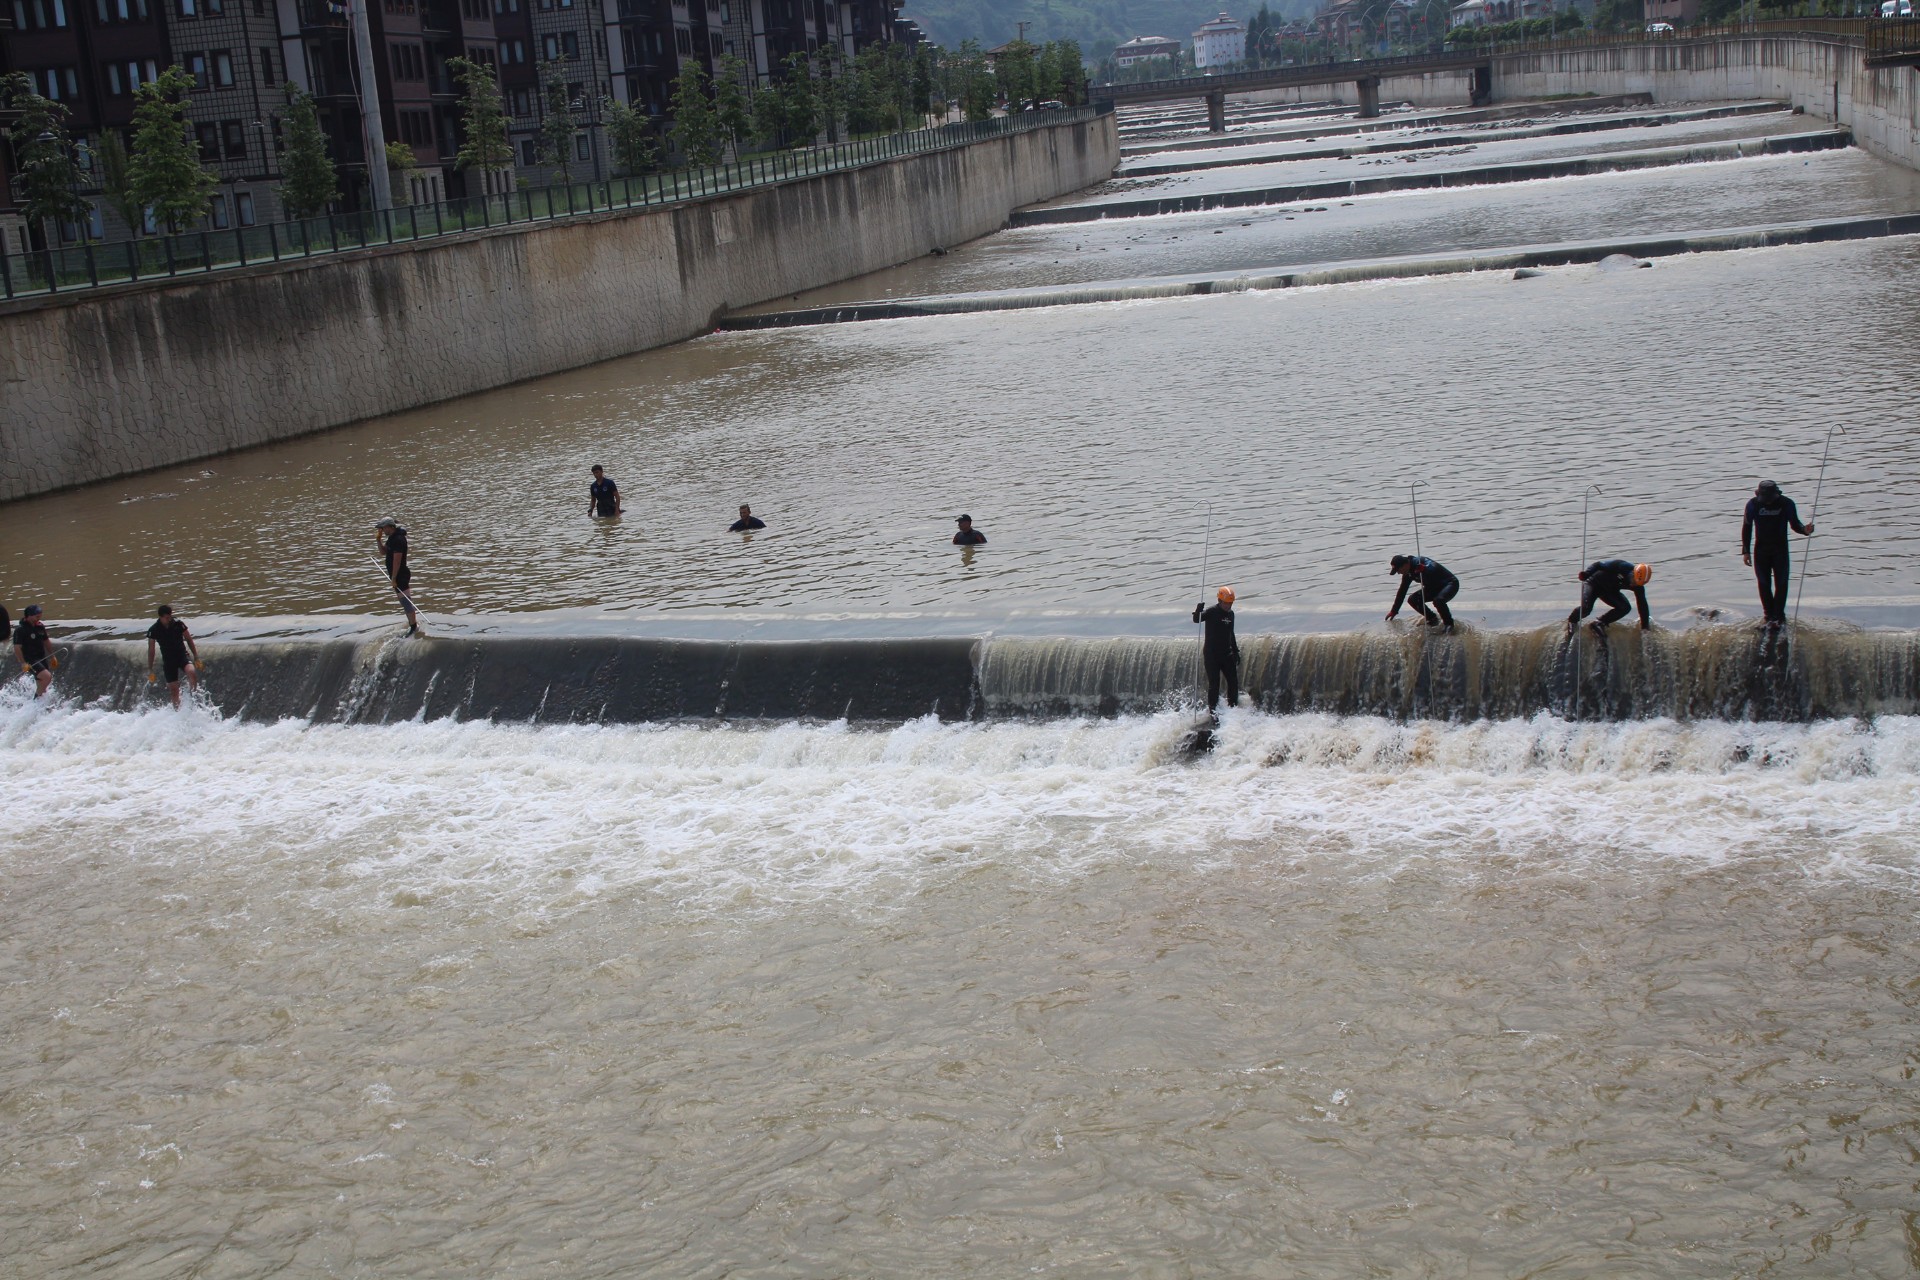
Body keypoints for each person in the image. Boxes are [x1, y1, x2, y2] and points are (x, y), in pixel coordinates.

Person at [1741, 479, 1814, 629]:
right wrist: (1746, 551)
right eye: (1765, 499)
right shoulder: (1753, 505)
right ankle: (1768, 617)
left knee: (1781, 583)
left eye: (1770, 499)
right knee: (1763, 583)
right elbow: (1747, 527)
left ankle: (1779, 617)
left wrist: (1805, 530)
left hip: (1780, 550)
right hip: (1761, 550)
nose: (1767, 502)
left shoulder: (1786, 504)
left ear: (1776, 495)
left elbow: (1795, 524)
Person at [1567, 560, 1652, 636]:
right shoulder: (1621, 566)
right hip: (1593, 584)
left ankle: (1600, 623)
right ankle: (1572, 620)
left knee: (1625, 608)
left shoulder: (1638, 586)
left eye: (1637, 584)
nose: (1633, 584)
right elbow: (1598, 564)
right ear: (1633, 573)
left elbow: (1642, 605)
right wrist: (1587, 573)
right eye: (1633, 580)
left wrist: (1645, 627)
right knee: (1586, 609)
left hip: (1608, 591)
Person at [1191, 586, 1240, 714]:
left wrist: (1235, 651)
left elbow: (1231, 633)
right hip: (1211, 654)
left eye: (1230, 603)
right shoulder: (1212, 611)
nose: (1228, 606)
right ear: (1220, 600)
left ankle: (1233, 708)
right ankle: (1213, 711)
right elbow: (1197, 620)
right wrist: (1198, 610)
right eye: (1226, 603)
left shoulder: (1231, 614)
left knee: (1233, 682)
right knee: (1214, 684)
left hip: (1226, 653)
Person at [145, 604, 202, 709]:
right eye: (167, 617)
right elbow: (151, 650)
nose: (169, 619)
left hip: (182, 655)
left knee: (191, 671)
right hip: (168, 661)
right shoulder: (154, 630)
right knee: (174, 690)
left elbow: (189, 639)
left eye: (170, 616)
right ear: (161, 617)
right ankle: (177, 711)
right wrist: (150, 669)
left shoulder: (178, 624)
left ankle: (193, 698)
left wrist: (196, 656)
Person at [1386, 554, 1459, 632]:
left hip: (1449, 584)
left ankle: (1449, 625)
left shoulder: (1419, 562)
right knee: (1413, 599)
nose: (1398, 573)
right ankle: (1432, 619)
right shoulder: (1407, 574)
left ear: (1405, 564)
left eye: (1398, 570)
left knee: (1438, 601)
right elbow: (1402, 591)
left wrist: (1425, 569)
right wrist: (1394, 611)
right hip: (1433, 587)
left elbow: (1432, 566)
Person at [375, 517, 420, 635]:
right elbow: (383, 552)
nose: (383, 530)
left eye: (384, 528)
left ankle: (414, 627)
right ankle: (412, 624)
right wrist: (378, 540)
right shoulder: (391, 538)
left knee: (406, 601)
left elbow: (397, 561)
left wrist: (394, 578)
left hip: (401, 575)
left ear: (390, 526)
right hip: (395, 576)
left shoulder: (399, 539)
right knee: (404, 601)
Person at [12, 604, 54, 698]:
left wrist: (52, 656)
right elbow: (17, 647)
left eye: (40, 616)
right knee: (46, 677)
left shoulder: (40, 626)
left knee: (42, 682)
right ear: (29, 616)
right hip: (29, 659)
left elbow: (46, 641)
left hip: (41, 657)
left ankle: (38, 703)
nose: (39, 618)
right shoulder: (20, 630)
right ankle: (37, 700)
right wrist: (23, 663)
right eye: (37, 616)